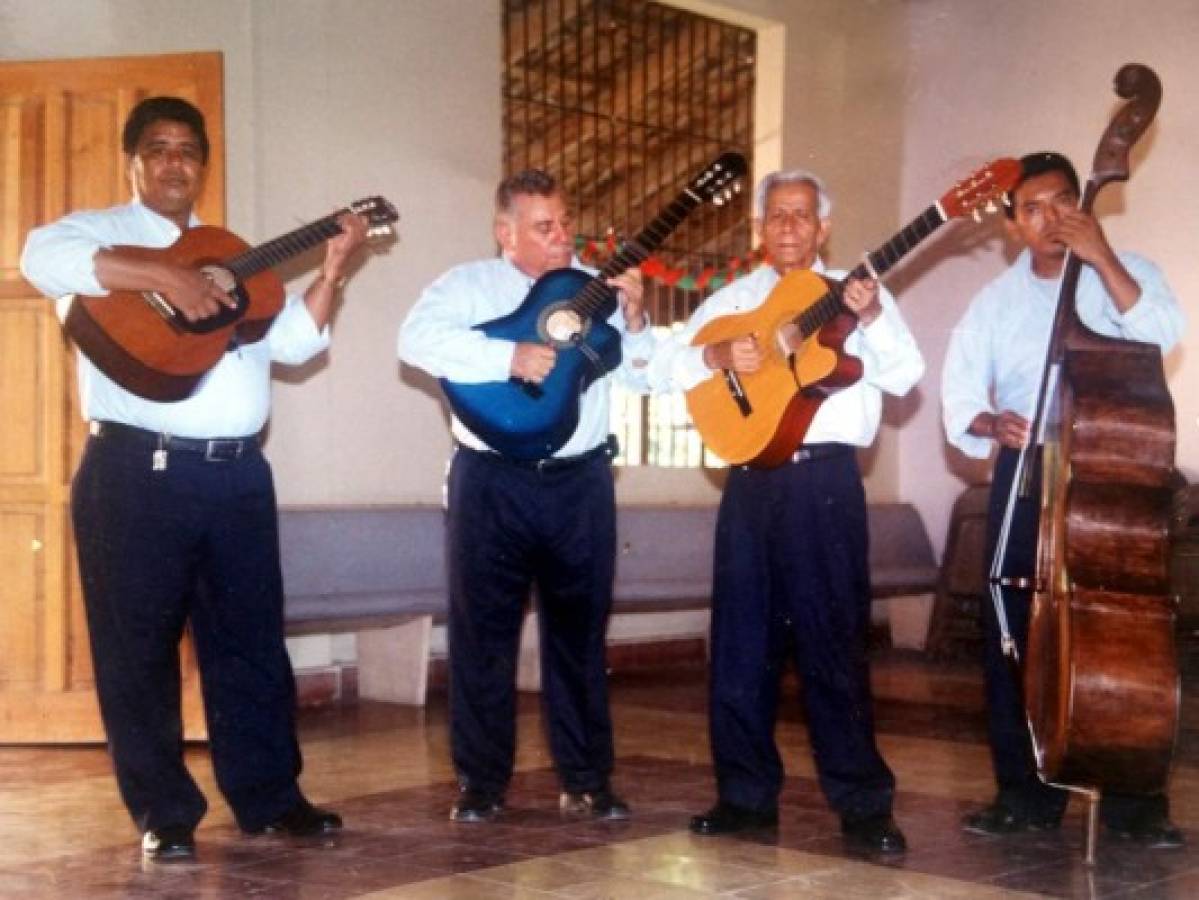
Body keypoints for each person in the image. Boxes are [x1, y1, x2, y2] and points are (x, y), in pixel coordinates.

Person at [20, 96, 368, 861]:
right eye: (159, 148)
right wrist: (166, 278)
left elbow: (296, 345)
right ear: (134, 161)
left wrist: (335, 269)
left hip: (237, 478)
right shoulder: (98, 233)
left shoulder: (228, 249)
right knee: (136, 651)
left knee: (249, 647)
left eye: (188, 150)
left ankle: (272, 799)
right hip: (133, 473)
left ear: (202, 166)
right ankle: (164, 814)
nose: (175, 161)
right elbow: (36, 259)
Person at [647, 169, 923, 854]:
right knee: (740, 645)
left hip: (822, 484)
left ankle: (862, 806)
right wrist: (714, 353)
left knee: (833, 646)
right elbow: (667, 367)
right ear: (759, 228)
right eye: (776, 216)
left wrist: (871, 320)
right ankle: (743, 797)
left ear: (822, 228)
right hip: (747, 484)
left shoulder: (858, 294)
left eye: (802, 216)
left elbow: (905, 376)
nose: (789, 227)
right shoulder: (735, 298)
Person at [942, 151, 1186, 848]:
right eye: (1031, 209)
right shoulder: (993, 301)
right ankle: (1023, 796)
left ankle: (1134, 806)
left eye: (1059, 202)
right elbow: (961, 389)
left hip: (1111, 472)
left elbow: (1162, 331)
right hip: (1026, 473)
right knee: (1012, 635)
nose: (1048, 219)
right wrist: (990, 422)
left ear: (1082, 203)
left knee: (1125, 638)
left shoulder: (1128, 270)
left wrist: (1101, 255)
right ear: (1012, 225)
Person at [398, 169, 652, 822]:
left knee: (580, 635)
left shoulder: (600, 289)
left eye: (567, 222)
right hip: (491, 483)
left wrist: (638, 317)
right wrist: (505, 358)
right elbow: (414, 341)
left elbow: (649, 375)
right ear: (504, 233)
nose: (563, 236)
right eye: (545, 227)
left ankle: (587, 778)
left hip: (581, 483)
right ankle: (480, 784)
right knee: (483, 636)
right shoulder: (466, 287)